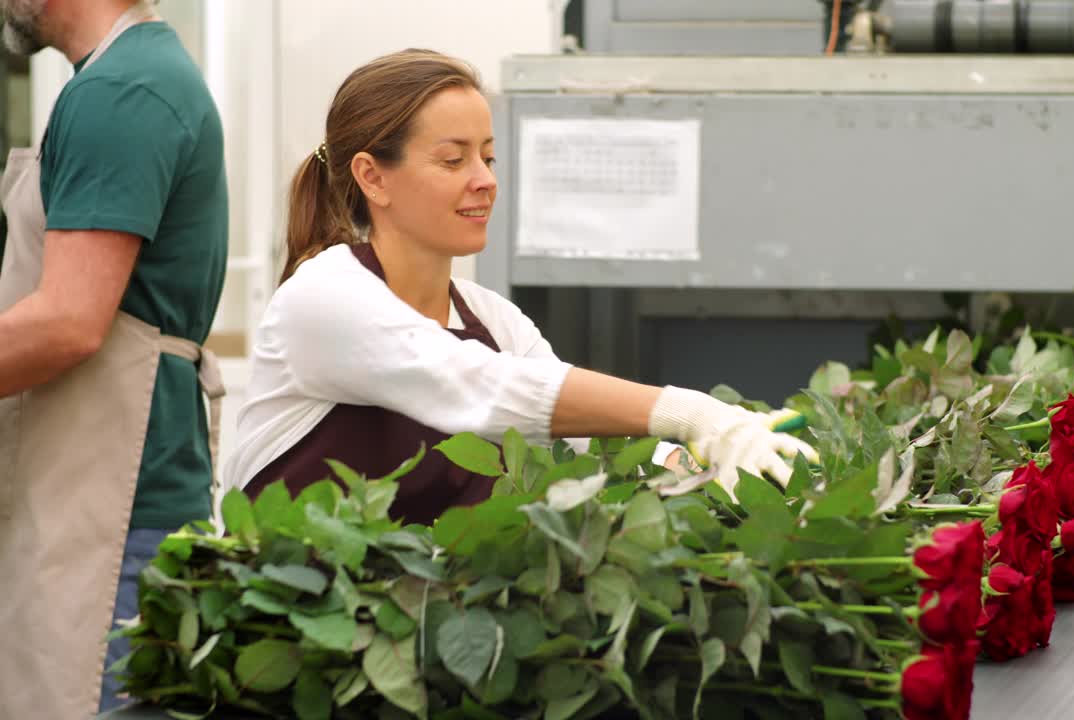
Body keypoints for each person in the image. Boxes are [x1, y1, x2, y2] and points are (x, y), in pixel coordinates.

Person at [226, 49, 812, 528]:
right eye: (453, 161)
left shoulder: (493, 320)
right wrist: (688, 412)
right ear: (372, 176)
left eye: (488, 157)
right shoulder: (324, 297)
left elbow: (581, 445)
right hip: (283, 641)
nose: (484, 181)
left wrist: (714, 456)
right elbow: (480, 384)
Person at [0, 0, 228, 716]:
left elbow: (68, 321)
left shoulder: (122, 92)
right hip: (96, 498)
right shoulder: (122, 79)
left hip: (112, 515)